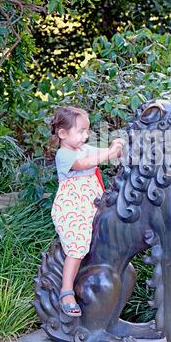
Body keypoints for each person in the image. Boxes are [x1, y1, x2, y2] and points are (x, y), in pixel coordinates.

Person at [50, 105, 125, 317]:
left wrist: (116, 148)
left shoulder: (83, 148)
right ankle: (66, 291)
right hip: (72, 208)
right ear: (63, 134)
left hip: (91, 205)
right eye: (80, 131)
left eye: (87, 131)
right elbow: (85, 164)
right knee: (78, 245)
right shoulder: (64, 154)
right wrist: (109, 152)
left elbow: (101, 154)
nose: (85, 135)